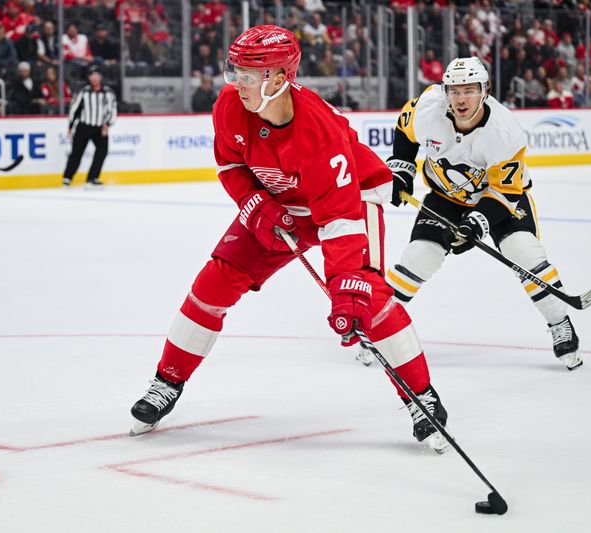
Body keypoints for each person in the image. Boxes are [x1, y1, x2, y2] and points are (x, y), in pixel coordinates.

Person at [129, 25, 450, 453]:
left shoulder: (319, 134)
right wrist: (254, 205)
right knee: (215, 281)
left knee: (367, 297)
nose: (235, 83)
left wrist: (346, 284)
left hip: (350, 198)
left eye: (247, 74)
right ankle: (166, 382)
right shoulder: (229, 105)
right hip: (280, 204)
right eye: (235, 71)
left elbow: (340, 219)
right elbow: (230, 165)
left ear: (279, 79)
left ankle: (421, 396)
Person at [361, 57, 583, 371]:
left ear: (485, 90)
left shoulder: (504, 131)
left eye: (469, 90)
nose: (461, 98)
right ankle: (380, 330)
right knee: (417, 258)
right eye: (454, 90)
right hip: (445, 197)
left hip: (501, 199)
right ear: (445, 92)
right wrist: (402, 169)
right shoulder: (428, 110)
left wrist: (476, 224)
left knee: (525, 255)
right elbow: (404, 130)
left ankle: (559, 321)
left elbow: (505, 192)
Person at [62, 65, 117, 188]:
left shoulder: (108, 92)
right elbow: (74, 109)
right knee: (77, 152)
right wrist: (70, 127)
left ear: (101, 77)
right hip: (84, 126)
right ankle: (67, 177)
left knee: (102, 151)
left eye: (97, 74)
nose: (94, 77)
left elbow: (112, 110)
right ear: (88, 77)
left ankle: (93, 177)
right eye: (92, 75)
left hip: (100, 127)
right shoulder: (83, 91)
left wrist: (107, 125)